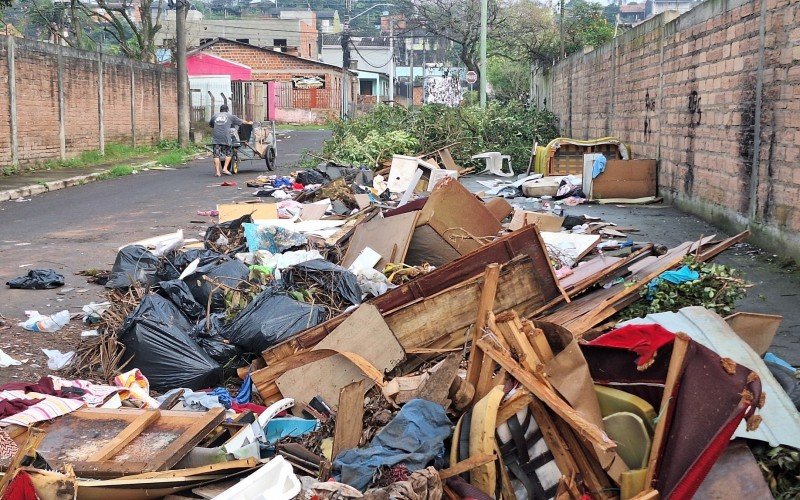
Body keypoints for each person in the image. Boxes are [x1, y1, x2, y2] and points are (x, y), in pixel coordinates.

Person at [208, 105, 251, 176]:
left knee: (216, 155)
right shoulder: (230, 116)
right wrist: (249, 123)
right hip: (225, 137)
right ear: (227, 110)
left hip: (216, 138)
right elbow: (242, 122)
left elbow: (211, 125)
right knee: (229, 153)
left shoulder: (214, 116)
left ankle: (217, 172)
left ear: (220, 110)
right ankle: (225, 169)